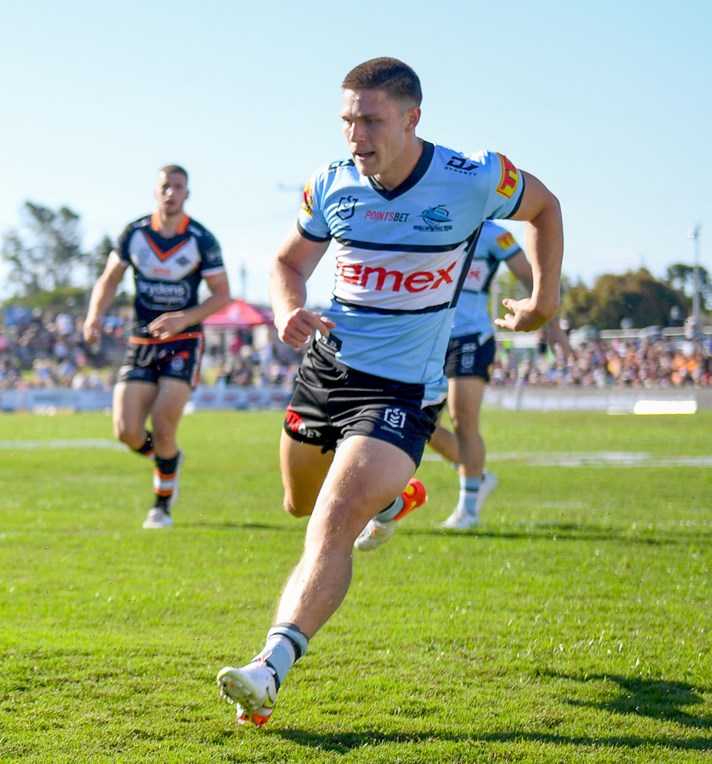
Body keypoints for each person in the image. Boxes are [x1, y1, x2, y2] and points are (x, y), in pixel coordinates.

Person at [214, 57, 562, 727]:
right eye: (347, 120)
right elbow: (288, 261)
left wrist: (543, 298)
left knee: (337, 518)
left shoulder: (474, 177)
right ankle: (397, 494)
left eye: (371, 119)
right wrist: (289, 305)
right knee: (300, 505)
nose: (356, 134)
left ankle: (269, 668)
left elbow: (544, 208)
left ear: (412, 118)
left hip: (403, 390)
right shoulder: (330, 185)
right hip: (326, 373)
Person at [84, 165, 230, 528]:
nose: (171, 193)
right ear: (155, 191)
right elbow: (109, 280)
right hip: (142, 340)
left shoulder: (202, 239)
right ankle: (167, 460)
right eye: (165, 186)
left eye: (178, 187)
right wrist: (93, 316)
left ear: (186, 194)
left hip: (184, 341)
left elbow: (222, 295)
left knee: (164, 424)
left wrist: (183, 318)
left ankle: (161, 507)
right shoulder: (134, 233)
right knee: (126, 430)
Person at [425, 220, 533, 529]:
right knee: (420, 421)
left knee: (463, 422)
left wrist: (544, 318)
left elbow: (528, 275)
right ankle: (477, 474)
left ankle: (468, 510)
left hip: (472, 337)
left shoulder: (496, 235)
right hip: (431, 337)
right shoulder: (433, 221)